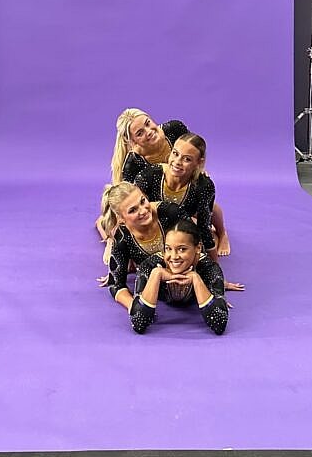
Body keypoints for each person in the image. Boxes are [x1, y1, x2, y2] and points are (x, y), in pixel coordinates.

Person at [100, 108, 230, 255]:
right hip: (155, 202)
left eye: (148, 123)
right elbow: (128, 199)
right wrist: (117, 242)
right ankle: (110, 237)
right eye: (140, 133)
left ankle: (222, 232)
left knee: (210, 206)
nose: (149, 131)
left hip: (184, 188)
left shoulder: (174, 129)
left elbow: (192, 149)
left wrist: (198, 170)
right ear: (131, 142)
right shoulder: (133, 164)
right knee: (115, 219)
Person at [130, 219, 235, 335]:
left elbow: (219, 324)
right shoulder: (150, 266)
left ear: (198, 248)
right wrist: (156, 274)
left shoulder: (209, 268)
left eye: (182, 249)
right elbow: (138, 323)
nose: (174, 257)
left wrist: (196, 279)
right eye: (168, 248)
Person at [99, 182, 183, 311]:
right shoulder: (123, 237)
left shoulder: (169, 213)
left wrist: (212, 289)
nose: (143, 211)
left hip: (180, 273)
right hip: (157, 278)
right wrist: (135, 306)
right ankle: (103, 232)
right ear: (121, 218)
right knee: (106, 230)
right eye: (133, 210)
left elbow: (198, 249)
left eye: (143, 201)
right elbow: (115, 284)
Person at [134, 132, 217, 257]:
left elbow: (203, 227)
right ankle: (107, 237)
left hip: (181, 229)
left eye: (187, 159)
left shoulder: (204, 185)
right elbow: (132, 214)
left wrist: (214, 266)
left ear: (199, 163)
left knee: (214, 211)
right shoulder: (149, 175)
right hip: (153, 227)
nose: (177, 161)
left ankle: (222, 234)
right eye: (175, 153)